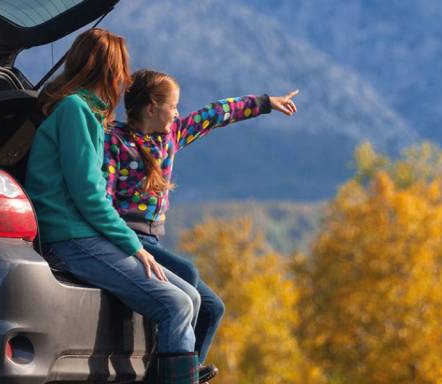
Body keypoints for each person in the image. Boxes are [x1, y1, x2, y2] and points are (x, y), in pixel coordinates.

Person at [24, 29, 200, 384]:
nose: (125, 80)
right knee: (176, 305)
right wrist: (134, 246)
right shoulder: (75, 110)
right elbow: (88, 194)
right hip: (70, 239)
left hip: (84, 235)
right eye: (122, 69)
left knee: (192, 297)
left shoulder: (85, 111)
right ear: (108, 70)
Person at [105, 68, 299, 383]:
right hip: (129, 240)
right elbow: (104, 197)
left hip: (155, 242)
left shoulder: (171, 137)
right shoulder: (115, 141)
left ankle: (181, 375)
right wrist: (123, 241)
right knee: (189, 274)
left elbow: (216, 113)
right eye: (173, 106)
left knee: (212, 309)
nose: (178, 112)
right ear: (152, 108)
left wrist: (266, 103)